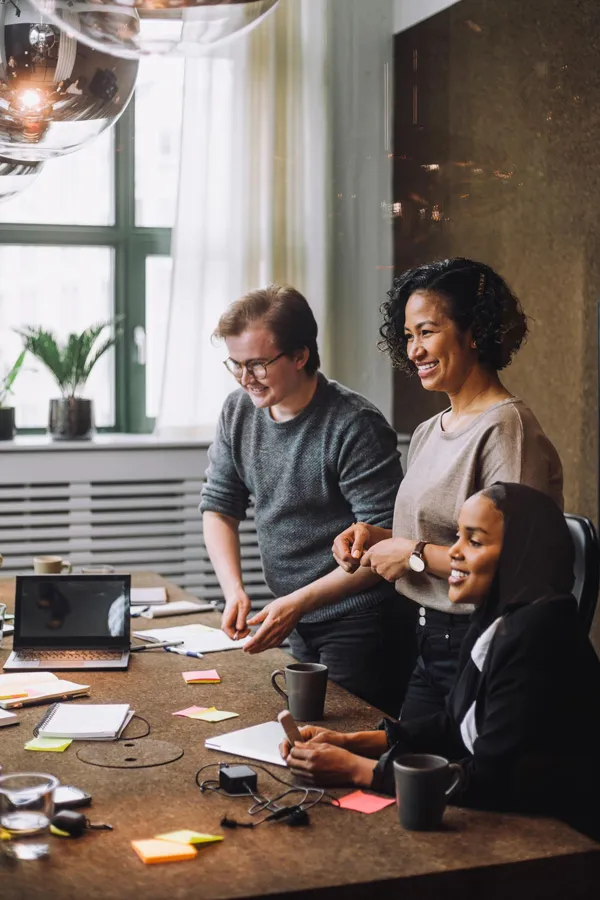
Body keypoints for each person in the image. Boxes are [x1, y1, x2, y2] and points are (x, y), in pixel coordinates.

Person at [283, 483, 600, 832]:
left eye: (474, 541)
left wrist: (357, 769)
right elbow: (454, 725)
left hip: (562, 842)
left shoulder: (540, 636)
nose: (454, 553)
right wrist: (351, 742)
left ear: (521, 554)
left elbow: (492, 781)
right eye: (457, 538)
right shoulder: (495, 619)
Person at [332, 258, 563, 719]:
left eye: (427, 332)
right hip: (425, 639)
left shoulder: (506, 428)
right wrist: (377, 539)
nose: (414, 350)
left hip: (479, 645)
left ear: (473, 331)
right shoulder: (428, 431)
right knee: (392, 771)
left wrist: (411, 554)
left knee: (447, 786)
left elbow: (514, 569)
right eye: (408, 336)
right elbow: (438, 539)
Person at [200, 283, 417, 715]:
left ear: (300, 356)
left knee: (344, 743)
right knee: (306, 737)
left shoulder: (355, 426)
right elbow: (219, 507)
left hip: (363, 622)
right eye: (236, 365)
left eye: (258, 365)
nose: (246, 380)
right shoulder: (237, 411)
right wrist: (234, 591)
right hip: (298, 615)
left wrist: (296, 603)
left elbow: (382, 545)